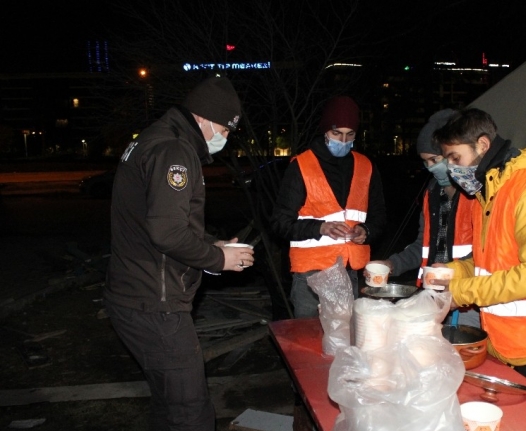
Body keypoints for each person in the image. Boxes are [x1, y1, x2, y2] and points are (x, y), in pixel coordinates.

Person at [104, 76, 254, 431]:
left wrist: (210, 244)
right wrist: (221, 260)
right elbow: (167, 232)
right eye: (225, 129)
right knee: (191, 412)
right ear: (202, 117)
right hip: (155, 304)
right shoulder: (174, 150)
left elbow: (158, 218)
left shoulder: (155, 139)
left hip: (135, 295)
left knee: (168, 406)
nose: (226, 138)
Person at [430, 107, 526, 407]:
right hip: (509, 344)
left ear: (483, 145)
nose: (451, 168)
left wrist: (458, 294)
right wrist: (451, 272)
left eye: (455, 158)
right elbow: (489, 263)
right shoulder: (486, 196)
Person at [270, 96, 386, 318]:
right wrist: (320, 228)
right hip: (310, 277)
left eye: (349, 134)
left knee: (344, 341)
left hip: (349, 272)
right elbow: (279, 223)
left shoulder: (365, 166)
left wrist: (367, 231)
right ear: (325, 132)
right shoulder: (302, 166)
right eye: (336, 133)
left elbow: (379, 216)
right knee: (309, 341)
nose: (343, 140)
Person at [367, 109, 480, 327]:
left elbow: (488, 253)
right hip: (432, 295)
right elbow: (423, 246)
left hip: (469, 300)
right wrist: (391, 264)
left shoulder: (476, 194)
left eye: (434, 159)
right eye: (425, 162)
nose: (430, 167)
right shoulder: (432, 195)